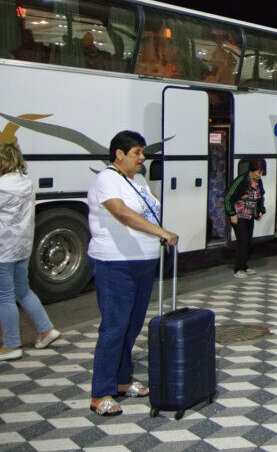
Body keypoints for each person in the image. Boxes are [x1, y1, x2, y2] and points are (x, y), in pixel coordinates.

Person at [87, 131, 179, 416]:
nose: (143, 158)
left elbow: (146, 212)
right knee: (114, 328)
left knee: (131, 326)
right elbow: (123, 214)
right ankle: (100, 393)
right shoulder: (106, 180)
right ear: (119, 154)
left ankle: (122, 381)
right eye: (137, 152)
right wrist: (161, 233)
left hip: (143, 262)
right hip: (116, 264)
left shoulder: (137, 180)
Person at [0, 143, 61, 362]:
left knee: (4, 297)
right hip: (22, 247)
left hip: (3, 250)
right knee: (22, 291)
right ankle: (46, 330)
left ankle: (11, 345)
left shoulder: (1, 186)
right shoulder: (26, 182)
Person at [224, 158, 266, 278]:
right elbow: (228, 197)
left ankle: (244, 266)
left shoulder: (259, 182)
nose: (260, 175)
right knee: (242, 241)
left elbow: (260, 197)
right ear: (251, 171)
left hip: (249, 215)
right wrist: (232, 214)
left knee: (248, 241)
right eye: (258, 172)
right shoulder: (241, 180)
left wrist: (260, 211)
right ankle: (238, 269)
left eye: (261, 172)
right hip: (239, 215)